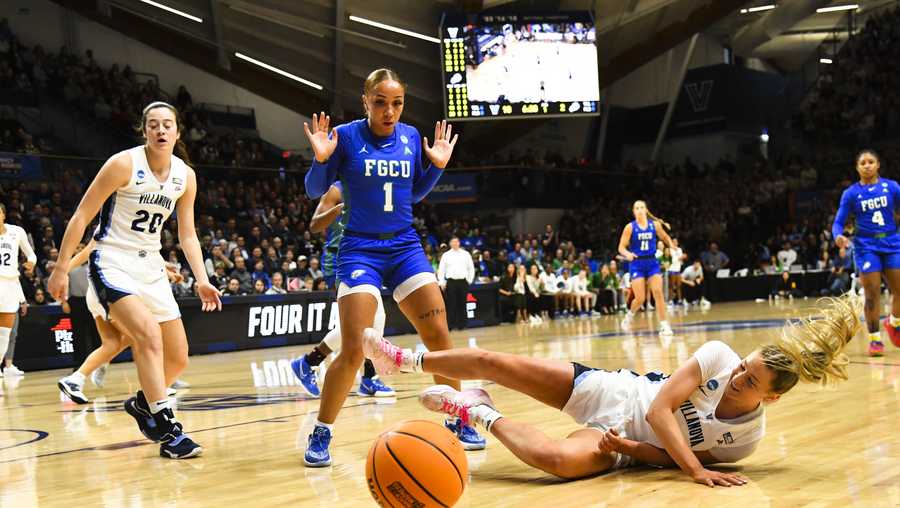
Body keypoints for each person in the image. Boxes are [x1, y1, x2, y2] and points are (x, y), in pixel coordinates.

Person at [365, 296, 859, 484]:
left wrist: (630, 449)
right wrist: (694, 470)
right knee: (499, 361)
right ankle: (404, 359)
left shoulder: (747, 439)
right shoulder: (717, 356)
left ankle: (475, 410)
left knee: (558, 465)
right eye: (744, 367)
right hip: (615, 394)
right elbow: (665, 409)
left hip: (625, 445)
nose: (737, 377)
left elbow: (667, 454)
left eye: (749, 381)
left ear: (769, 398)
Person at [301, 68, 483, 466]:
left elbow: (415, 191)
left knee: (438, 334)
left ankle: (458, 417)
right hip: (360, 250)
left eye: (397, 103)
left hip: (404, 247)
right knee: (353, 349)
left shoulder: (411, 137)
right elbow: (315, 191)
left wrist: (435, 166)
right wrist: (319, 160)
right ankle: (321, 430)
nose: (389, 110)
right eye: (380, 102)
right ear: (365, 101)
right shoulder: (346, 137)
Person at [47, 102, 222, 459]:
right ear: (144, 131)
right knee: (146, 335)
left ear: (177, 132)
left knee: (178, 358)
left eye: (167, 125)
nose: (160, 130)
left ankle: (144, 405)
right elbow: (83, 214)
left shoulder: (185, 176)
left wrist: (201, 278)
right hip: (112, 259)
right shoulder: (123, 163)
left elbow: (187, 234)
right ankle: (167, 429)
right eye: (153, 125)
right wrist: (62, 267)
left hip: (151, 266)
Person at [290, 182, 394, 400]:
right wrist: (339, 209)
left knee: (372, 320)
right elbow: (314, 225)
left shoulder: (376, 184)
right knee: (364, 323)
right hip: (342, 257)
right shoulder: (337, 189)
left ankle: (310, 363)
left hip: (367, 256)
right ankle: (367, 378)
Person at [58, 240, 185, 404]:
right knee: (141, 335)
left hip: (99, 291)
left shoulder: (131, 235)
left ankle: (80, 376)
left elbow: (143, 257)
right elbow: (85, 253)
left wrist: (168, 273)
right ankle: (154, 385)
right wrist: (61, 273)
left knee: (113, 343)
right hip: (108, 290)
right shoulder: (112, 231)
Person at [833, 149, 900, 356]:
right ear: (857, 167)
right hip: (866, 246)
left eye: (871, 162)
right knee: (872, 294)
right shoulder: (851, 194)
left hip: (892, 242)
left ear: (878, 164)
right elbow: (838, 222)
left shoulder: (892, 187)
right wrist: (838, 236)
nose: (867, 165)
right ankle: (875, 339)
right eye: (863, 163)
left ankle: (894, 322)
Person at [618, 201, 675, 335]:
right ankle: (630, 315)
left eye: (642, 207)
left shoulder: (654, 225)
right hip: (637, 264)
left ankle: (664, 325)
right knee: (640, 299)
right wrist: (627, 254)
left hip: (652, 262)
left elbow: (665, 236)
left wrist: (671, 244)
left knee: (658, 292)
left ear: (646, 210)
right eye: (637, 208)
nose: (639, 210)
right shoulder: (630, 227)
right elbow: (621, 247)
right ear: (633, 211)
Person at [0, 202, 36, 378]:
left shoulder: (17, 231)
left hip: (9, 285)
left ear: (4, 215)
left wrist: (31, 263)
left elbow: (31, 254)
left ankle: (5, 367)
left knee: (5, 334)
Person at [437, 237, 475, 331]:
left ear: (459, 243)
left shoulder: (465, 254)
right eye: (453, 242)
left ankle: (462, 325)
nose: (455, 243)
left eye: (456, 241)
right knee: (451, 304)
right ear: (450, 244)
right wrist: (441, 282)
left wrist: (469, 280)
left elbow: (471, 268)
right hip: (451, 282)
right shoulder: (446, 255)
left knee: (462, 303)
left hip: (463, 282)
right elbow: (441, 270)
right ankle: (450, 325)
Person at [668, 238, 685, 304]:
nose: (675, 243)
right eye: (673, 241)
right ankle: (670, 300)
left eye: (676, 241)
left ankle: (679, 299)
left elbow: (681, 260)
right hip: (672, 269)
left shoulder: (680, 249)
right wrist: (679, 258)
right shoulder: (670, 249)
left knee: (678, 285)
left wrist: (683, 258)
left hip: (678, 269)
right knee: (672, 286)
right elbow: (672, 260)